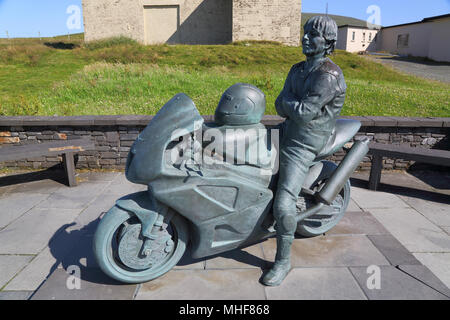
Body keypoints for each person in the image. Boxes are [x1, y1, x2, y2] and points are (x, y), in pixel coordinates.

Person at [262, 15, 347, 286]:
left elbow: (303, 113)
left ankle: (283, 261)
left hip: (306, 141)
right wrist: (291, 105)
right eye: (305, 32)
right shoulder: (297, 69)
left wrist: (290, 104)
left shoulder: (329, 75)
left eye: (314, 35)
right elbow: (280, 105)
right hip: (288, 130)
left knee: (284, 201)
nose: (306, 38)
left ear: (328, 43)